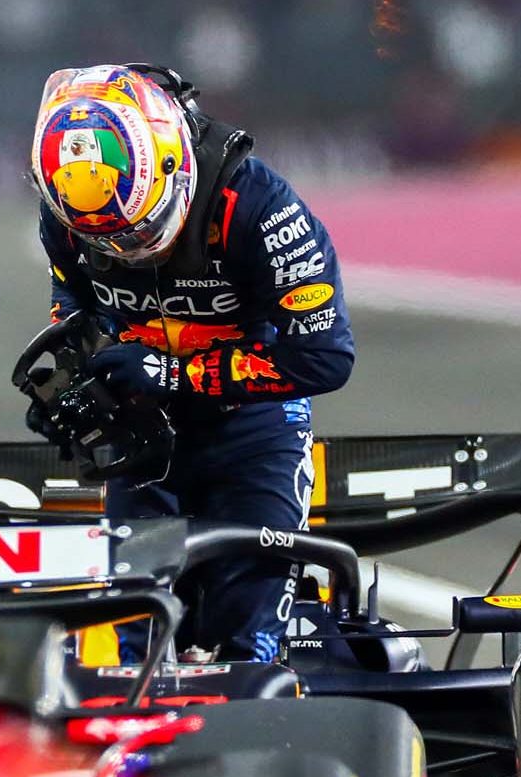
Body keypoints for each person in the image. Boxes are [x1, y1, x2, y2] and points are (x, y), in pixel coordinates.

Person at [23, 64, 355, 663]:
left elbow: (325, 357)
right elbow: (73, 301)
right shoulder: (67, 221)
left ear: (172, 163)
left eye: (136, 230)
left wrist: (178, 375)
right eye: (107, 241)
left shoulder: (260, 208)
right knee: (133, 635)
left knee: (247, 641)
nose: (122, 250)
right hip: (142, 433)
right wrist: (75, 377)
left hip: (254, 427)